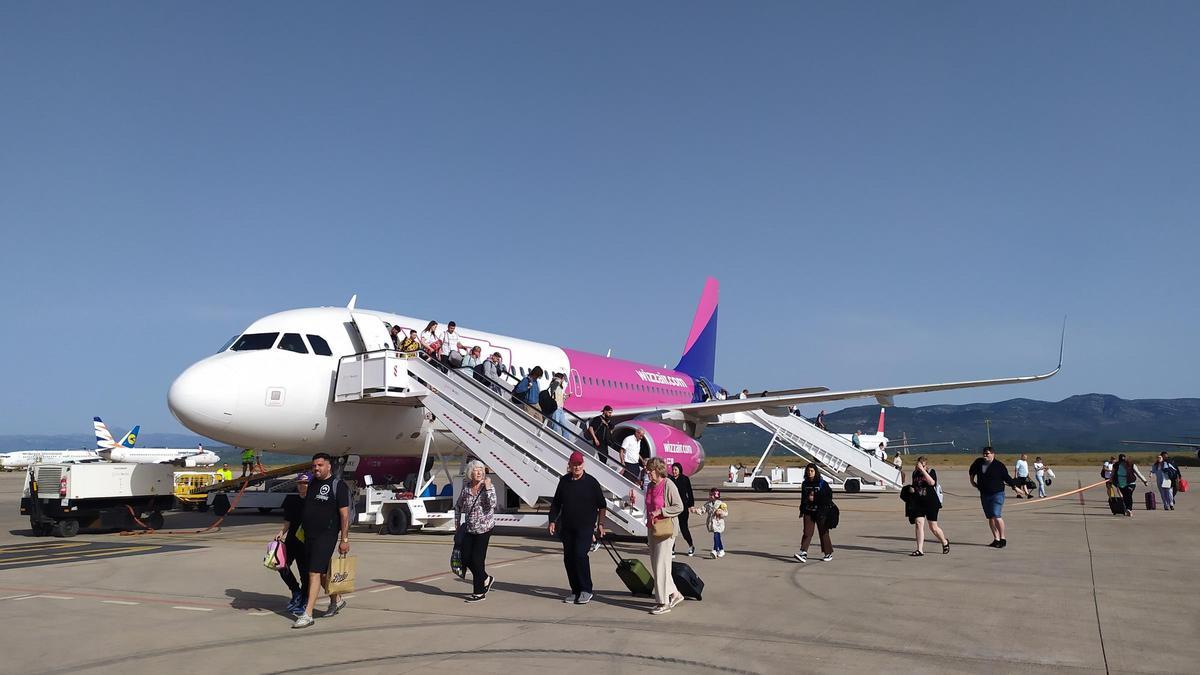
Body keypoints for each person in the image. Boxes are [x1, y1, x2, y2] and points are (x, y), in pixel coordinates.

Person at [293, 454, 351, 628]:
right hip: (309, 535)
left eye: (319, 465)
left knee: (314, 573)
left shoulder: (338, 486)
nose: (316, 468)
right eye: (314, 466)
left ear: (328, 467)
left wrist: (344, 539)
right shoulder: (312, 484)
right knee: (323, 573)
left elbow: (344, 515)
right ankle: (336, 600)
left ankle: (308, 613)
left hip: (326, 535)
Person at [548, 451, 607, 605]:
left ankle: (586, 589)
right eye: (574, 464)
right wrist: (552, 520)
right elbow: (556, 503)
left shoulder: (591, 483)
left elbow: (602, 506)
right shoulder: (564, 481)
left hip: (585, 527)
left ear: (583, 464)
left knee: (580, 556)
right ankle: (575, 590)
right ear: (569, 465)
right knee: (569, 558)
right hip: (567, 527)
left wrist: (600, 524)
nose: (577, 467)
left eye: (579, 464)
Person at [643, 457, 684, 615]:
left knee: (661, 565)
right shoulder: (650, 486)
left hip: (667, 530)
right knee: (656, 565)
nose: (648, 473)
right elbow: (648, 504)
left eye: (650, 470)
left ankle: (663, 602)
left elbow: (679, 506)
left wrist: (661, 511)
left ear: (658, 470)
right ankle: (675, 593)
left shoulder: (668, 484)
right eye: (647, 471)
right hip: (653, 529)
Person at [456, 460, 497, 602]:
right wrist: (457, 524)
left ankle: (479, 592)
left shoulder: (487, 487)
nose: (479, 472)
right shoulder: (466, 489)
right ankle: (486, 578)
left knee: (477, 560)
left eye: (481, 470)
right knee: (465, 558)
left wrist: (489, 487)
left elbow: (492, 504)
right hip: (469, 528)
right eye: (475, 470)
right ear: (470, 473)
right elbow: (459, 506)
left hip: (484, 529)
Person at [275, 473, 310, 615]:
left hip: (305, 542)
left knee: (305, 573)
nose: (302, 486)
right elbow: (288, 521)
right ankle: (295, 590)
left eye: (305, 483)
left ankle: (304, 599)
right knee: (282, 566)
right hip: (291, 540)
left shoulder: (313, 502)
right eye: (300, 483)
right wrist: (281, 532)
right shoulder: (291, 500)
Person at [968, 447, 1015, 548]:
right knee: (990, 517)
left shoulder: (999, 465)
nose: (985, 456)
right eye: (984, 454)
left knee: (996, 515)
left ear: (993, 454)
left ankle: (1003, 538)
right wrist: (972, 481)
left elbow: (1007, 478)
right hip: (984, 494)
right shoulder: (979, 462)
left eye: (987, 454)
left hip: (997, 494)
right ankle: (996, 539)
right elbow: (972, 471)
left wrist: (1015, 487)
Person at [906, 457, 950, 556]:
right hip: (919, 502)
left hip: (931, 502)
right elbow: (915, 485)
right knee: (918, 523)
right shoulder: (914, 473)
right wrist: (911, 489)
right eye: (918, 465)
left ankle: (944, 541)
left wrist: (923, 470)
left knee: (933, 527)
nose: (919, 467)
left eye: (922, 465)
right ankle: (920, 549)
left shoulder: (931, 471)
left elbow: (932, 483)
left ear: (926, 465)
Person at [795, 463, 834, 562]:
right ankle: (803, 552)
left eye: (812, 471)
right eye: (808, 471)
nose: (809, 473)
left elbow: (829, 496)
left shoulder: (822, 483)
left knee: (823, 532)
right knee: (807, 532)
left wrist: (816, 497)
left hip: (821, 512)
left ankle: (828, 553)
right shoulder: (805, 484)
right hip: (808, 511)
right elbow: (803, 498)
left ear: (815, 472)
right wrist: (801, 510)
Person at [668, 463, 695, 556]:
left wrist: (691, 505)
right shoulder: (669, 480)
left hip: (683, 507)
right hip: (672, 508)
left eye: (676, 470)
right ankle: (672, 549)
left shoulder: (685, 479)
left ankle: (691, 545)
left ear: (679, 470)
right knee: (672, 529)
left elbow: (690, 492)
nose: (674, 471)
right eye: (673, 470)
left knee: (684, 529)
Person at [1109, 453, 1148, 517]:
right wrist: (1110, 481)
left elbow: (1138, 473)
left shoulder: (1131, 464)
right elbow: (1112, 474)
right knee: (1125, 496)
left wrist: (1144, 480)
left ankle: (1129, 509)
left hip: (1130, 483)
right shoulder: (1116, 465)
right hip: (1122, 484)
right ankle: (1127, 509)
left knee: (1128, 495)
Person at [693, 488, 728, 558]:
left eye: (712, 495)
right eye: (710, 495)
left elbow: (726, 513)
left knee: (716, 535)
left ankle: (715, 550)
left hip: (718, 522)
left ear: (716, 495)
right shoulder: (708, 504)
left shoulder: (721, 504)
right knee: (717, 536)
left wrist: (721, 513)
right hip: (711, 522)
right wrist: (695, 510)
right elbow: (702, 510)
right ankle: (721, 550)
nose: (710, 496)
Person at [548, 372, 570, 439]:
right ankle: (553, 441)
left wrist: (565, 397)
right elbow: (552, 391)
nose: (563, 381)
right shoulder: (554, 384)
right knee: (555, 427)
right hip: (555, 409)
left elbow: (558, 398)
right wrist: (557, 379)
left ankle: (565, 443)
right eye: (563, 379)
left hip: (560, 409)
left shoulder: (560, 388)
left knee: (565, 429)